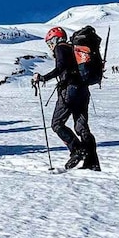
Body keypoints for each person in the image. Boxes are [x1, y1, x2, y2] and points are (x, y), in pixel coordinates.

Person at [33, 27, 99, 170]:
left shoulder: (60, 47)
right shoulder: (73, 49)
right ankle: (92, 163)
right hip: (83, 90)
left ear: (55, 39)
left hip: (69, 90)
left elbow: (61, 67)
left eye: (50, 42)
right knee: (82, 127)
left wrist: (43, 78)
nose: (50, 46)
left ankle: (77, 150)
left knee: (57, 124)